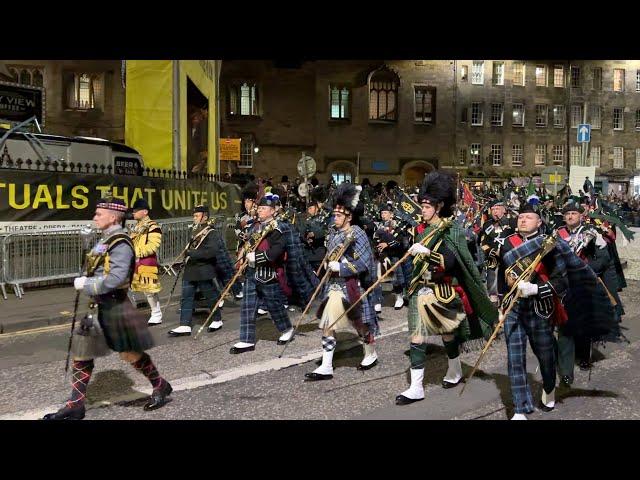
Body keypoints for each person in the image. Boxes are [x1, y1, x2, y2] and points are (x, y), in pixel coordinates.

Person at [43, 196, 171, 420]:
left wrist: (87, 283)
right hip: (96, 305)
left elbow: (117, 278)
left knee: (130, 354)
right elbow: (95, 266)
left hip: (114, 305)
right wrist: (86, 267)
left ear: (113, 217)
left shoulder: (120, 242)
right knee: (82, 354)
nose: (95, 217)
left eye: (99, 214)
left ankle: (160, 385)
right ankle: (75, 405)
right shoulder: (105, 239)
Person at [395, 172, 497, 405]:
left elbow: (450, 262)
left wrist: (427, 253)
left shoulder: (450, 229)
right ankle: (416, 387)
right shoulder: (418, 230)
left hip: (441, 290)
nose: (423, 209)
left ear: (439, 206)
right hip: (419, 290)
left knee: (447, 335)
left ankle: (455, 369)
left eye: (427, 206)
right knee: (417, 338)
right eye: (422, 205)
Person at [305, 183, 380, 380]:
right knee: (327, 323)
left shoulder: (358, 233)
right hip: (334, 285)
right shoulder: (333, 233)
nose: (334, 218)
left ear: (349, 216)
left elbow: (364, 263)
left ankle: (371, 352)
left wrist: (343, 267)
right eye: (334, 215)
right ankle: (327, 365)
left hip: (353, 284)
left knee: (360, 324)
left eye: (338, 215)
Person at [230, 193, 295, 354]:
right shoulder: (255, 227)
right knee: (247, 306)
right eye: (259, 207)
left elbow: (277, 252)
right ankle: (246, 340)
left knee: (274, 306)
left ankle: (286, 329)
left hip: (268, 273)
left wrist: (257, 257)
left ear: (273, 211)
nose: (259, 210)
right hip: (252, 272)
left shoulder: (277, 228)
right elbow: (248, 244)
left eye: (264, 208)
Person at [168, 205, 224, 337]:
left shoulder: (212, 232)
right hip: (191, 268)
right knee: (186, 297)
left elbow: (212, 251)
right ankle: (184, 324)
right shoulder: (194, 231)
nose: (194, 218)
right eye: (194, 215)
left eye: (196, 215)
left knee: (210, 297)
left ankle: (217, 320)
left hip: (204, 269)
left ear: (205, 216)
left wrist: (192, 253)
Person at [129, 199, 163, 326]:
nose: (133, 213)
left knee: (149, 290)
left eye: (136, 211)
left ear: (144, 212)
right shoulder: (136, 227)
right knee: (129, 288)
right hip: (134, 262)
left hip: (146, 261)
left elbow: (153, 246)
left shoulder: (153, 226)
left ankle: (156, 314)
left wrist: (136, 252)